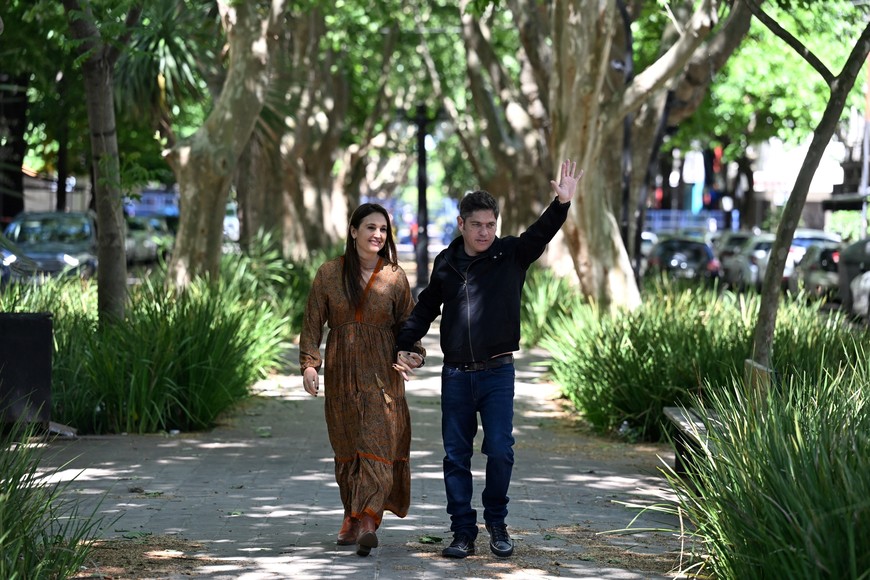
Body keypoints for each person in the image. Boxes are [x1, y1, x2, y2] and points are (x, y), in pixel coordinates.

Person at [394, 159, 581, 559]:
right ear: (461, 224)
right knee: (455, 456)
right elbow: (425, 307)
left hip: (498, 373)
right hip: (456, 375)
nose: (484, 232)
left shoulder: (511, 254)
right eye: (477, 224)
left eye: (490, 225)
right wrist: (405, 342)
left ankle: (496, 521)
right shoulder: (447, 262)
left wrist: (560, 203)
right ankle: (462, 530)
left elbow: (539, 233)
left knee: (500, 449)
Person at [299, 203, 425, 557]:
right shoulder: (328, 274)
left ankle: (369, 519)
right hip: (341, 378)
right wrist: (310, 365)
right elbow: (311, 323)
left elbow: (408, 327)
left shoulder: (394, 276)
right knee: (348, 449)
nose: (377, 235)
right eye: (370, 227)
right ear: (353, 231)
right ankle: (351, 516)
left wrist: (412, 352)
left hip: (382, 376)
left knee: (377, 445)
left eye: (383, 229)